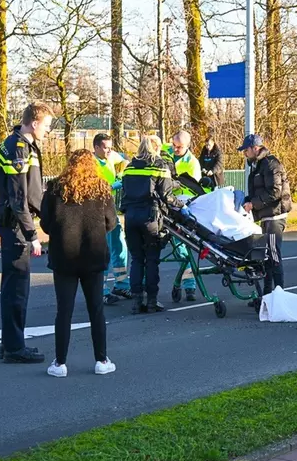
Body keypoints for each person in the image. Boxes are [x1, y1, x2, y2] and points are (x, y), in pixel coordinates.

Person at [39, 150, 118, 377]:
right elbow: (111, 222)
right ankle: (101, 360)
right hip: (93, 256)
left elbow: (46, 223)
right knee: (96, 310)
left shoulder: (55, 189)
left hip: (64, 256)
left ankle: (60, 363)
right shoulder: (102, 189)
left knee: (64, 311)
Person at [0, 102, 53, 363]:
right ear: (35, 122)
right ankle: (15, 348)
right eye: (47, 126)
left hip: (12, 222)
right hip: (15, 225)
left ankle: (9, 344)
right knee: (17, 288)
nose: (48, 131)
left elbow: (31, 193)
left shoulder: (17, 144)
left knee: (12, 287)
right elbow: (20, 198)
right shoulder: (18, 149)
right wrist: (32, 234)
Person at [121, 135, 187, 313]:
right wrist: (183, 205)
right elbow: (167, 196)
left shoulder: (129, 167)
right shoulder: (159, 165)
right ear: (156, 148)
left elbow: (124, 194)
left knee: (136, 259)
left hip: (131, 217)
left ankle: (136, 301)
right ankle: (151, 301)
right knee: (151, 260)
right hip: (150, 217)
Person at [238, 134, 292, 295]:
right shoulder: (259, 165)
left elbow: (275, 192)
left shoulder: (270, 164)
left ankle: (279, 292)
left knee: (274, 255)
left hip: (275, 217)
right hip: (267, 216)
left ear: (255, 148)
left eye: (246, 150)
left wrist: (253, 203)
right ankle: (268, 293)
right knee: (267, 256)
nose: (244, 153)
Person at [92, 133, 132, 305]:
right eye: (105, 147)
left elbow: (125, 157)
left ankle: (122, 284)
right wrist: (115, 184)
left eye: (110, 147)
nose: (109, 151)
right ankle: (101, 290)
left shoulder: (110, 156)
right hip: (97, 209)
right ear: (96, 148)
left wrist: (123, 170)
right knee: (103, 250)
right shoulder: (91, 164)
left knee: (119, 245)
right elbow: (92, 189)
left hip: (110, 209)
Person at [168, 130, 201, 300]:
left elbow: (192, 189)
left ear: (187, 146)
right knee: (180, 250)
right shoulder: (167, 156)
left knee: (184, 249)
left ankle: (189, 286)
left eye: (178, 146)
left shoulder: (192, 163)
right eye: (173, 145)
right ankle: (186, 285)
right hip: (168, 207)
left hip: (182, 208)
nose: (175, 149)